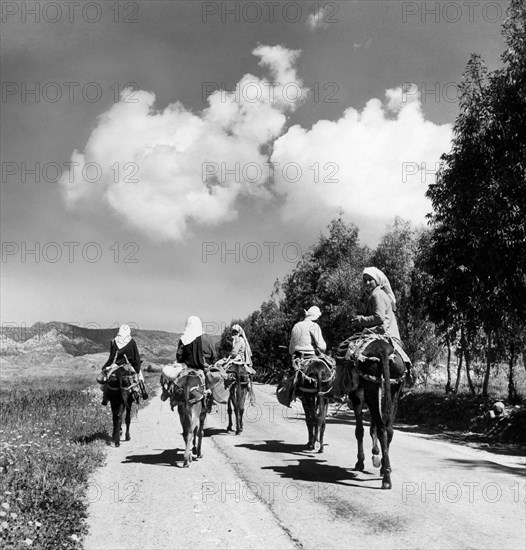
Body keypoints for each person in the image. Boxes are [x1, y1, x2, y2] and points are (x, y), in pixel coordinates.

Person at [351, 267, 413, 382]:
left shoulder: (377, 294)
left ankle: (342, 386)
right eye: (365, 280)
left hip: (382, 331)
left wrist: (361, 320)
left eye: (370, 279)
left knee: (345, 349)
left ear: (377, 281)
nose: (367, 282)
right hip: (388, 332)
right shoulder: (379, 294)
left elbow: (379, 317)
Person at [100, 324, 146, 405]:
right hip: (129, 366)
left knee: (106, 378)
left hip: (116, 365)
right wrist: (137, 368)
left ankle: (105, 397)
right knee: (140, 377)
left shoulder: (114, 341)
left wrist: (105, 367)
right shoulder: (132, 342)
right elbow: (136, 357)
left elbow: (111, 357)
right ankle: (142, 392)